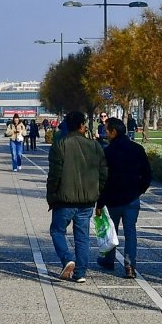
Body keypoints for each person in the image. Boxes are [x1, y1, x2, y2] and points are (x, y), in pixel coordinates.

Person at [47, 111, 108, 283]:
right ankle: (80, 273)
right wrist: (98, 191)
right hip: (87, 200)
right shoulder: (95, 146)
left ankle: (67, 258)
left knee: (57, 231)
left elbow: (54, 175)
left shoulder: (60, 145)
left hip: (64, 199)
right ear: (82, 125)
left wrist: (51, 195)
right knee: (82, 236)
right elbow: (103, 172)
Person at [95, 118, 152, 278]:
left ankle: (109, 259)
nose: (105, 133)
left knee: (111, 230)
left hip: (112, 198)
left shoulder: (108, 152)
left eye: (107, 130)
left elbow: (102, 179)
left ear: (114, 132)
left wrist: (100, 202)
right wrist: (139, 190)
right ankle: (130, 266)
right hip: (132, 198)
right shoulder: (137, 149)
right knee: (130, 232)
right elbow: (147, 174)